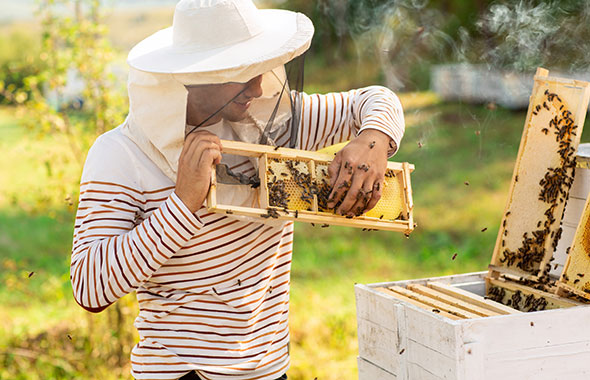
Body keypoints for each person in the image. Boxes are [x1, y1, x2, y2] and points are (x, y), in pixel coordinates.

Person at [70, 0, 405, 379]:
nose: (259, 86)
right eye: (241, 72)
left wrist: (373, 143)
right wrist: (182, 204)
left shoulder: (273, 123)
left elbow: (378, 100)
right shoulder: (121, 154)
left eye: (258, 67)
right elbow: (90, 286)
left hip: (270, 368)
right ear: (194, 73)